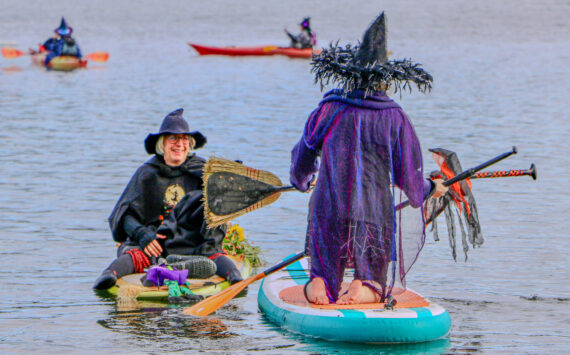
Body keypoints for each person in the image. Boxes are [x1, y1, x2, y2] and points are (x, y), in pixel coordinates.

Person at [289, 12, 448, 305]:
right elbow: (409, 181)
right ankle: (366, 287)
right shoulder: (395, 117)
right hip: (374, 211)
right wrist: (431, 188)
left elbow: (303, 156)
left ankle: (320, 282)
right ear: (383, 79)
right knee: (376, 274)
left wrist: (302, 181)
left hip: (329, 204)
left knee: (323, 262)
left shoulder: (329, 107)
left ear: (350, 73)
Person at [93, 109, 243, 290]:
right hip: (156, 242)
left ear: (190, 144)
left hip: (191, 241)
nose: (180, 144)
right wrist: (143, 235)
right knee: (135, 256)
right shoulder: (146, 173)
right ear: (162, 143)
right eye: (173, 138)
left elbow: (221, 204)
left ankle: (234, 276)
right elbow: (124, 215)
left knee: (212, 254)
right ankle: (110, 275)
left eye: (184, 139)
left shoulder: (204, 170)